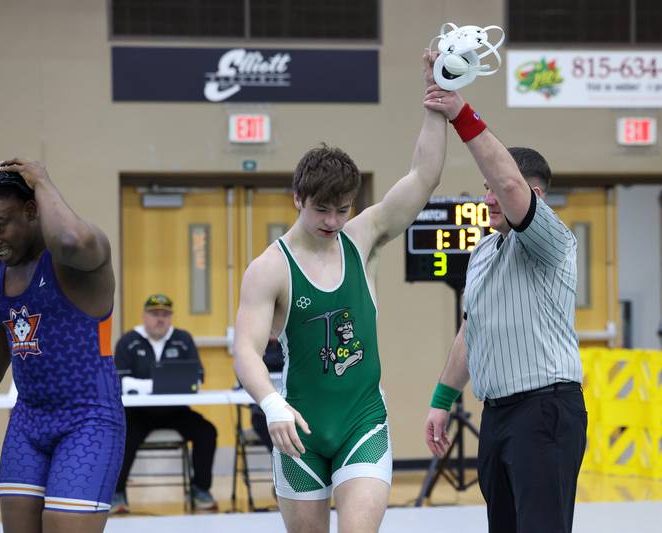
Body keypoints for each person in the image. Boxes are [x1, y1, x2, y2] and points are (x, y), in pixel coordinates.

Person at [232, 51, 447, 533]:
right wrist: (271, 404)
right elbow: (244, 350)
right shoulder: (269, 268)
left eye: (342, 209)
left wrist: (436, 100)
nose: (332, 222)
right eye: (322, 210)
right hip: (299, 432)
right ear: (297, 199)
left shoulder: (362, 237)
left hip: (362, 423)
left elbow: (423, 177)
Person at [422, 87, 587, 533]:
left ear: (531, 193)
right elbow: (471, 330)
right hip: (497, 415)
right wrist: (442, 400)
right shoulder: (482, 252)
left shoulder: (553, 241)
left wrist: (461, 115)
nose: (488, 199)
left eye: (493, 189)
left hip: (544, 411)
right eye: (485, 191)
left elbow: (511, 184)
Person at [0, 159, 124, 533]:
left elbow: (70, 240)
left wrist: (41, 178)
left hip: (88, 421)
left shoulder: (77, 259)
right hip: (28, 422)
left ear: (31, 210)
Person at [112, 294, 218, 513]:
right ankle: (117, 493)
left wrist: (142, 384)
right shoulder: (128, 341)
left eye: (165, 314)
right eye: (155, 314)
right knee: (122, 435)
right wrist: (159, 385)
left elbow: (197, 377)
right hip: (138, 413)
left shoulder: (183, 339)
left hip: (176, 411)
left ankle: (200, 489)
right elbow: (120, 381)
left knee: (207, 432)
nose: (160, 319)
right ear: (144, 316)